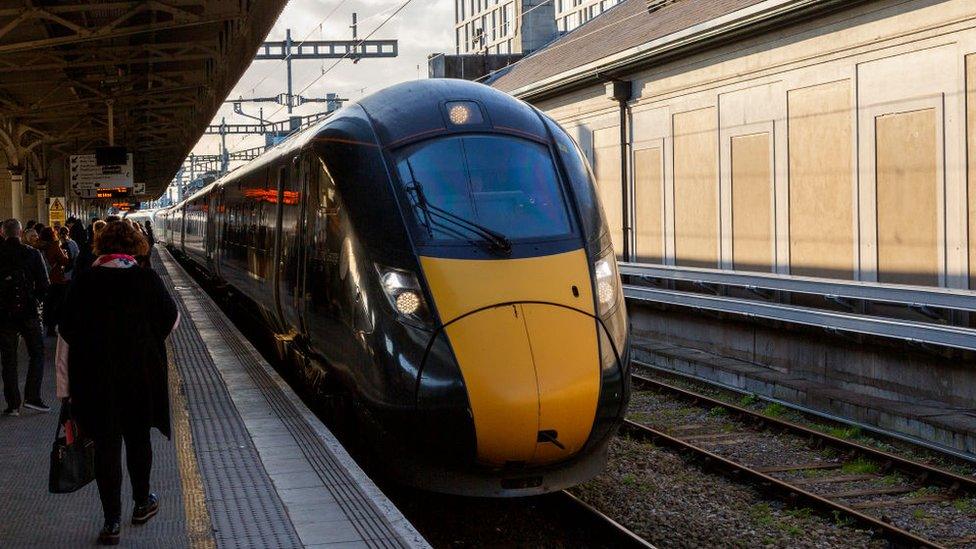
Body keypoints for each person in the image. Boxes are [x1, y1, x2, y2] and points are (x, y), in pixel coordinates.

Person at [58, 221, 178, 545]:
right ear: (135, 246)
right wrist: (146, 342)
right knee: (139, 441)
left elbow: (65, 334)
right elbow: (171, 318)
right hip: (139, 380)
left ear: (101, 246)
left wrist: (63, 390)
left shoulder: (83, 282)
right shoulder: (146, 278)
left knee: (106, 449)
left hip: (94, 383)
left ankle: (111, 522)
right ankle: (142, 503)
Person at [0, 219, 50, 415]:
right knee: (37, 353)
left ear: (3, 234)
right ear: (20, 233)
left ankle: (12, 404)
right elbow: (44, 285)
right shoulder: (32, 253)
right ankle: (32, 397)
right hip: (28, 312)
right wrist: (34, 300)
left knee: (8, 359)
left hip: (4, 315)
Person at [38, 227, 69, 337]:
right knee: (57, 303)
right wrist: (65, 254)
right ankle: (53, 326)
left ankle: (46, 324)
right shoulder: (54, 245)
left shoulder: (37, 246)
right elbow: (64, 261)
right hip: (56, 278)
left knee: (47, 303)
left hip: (44, 278)